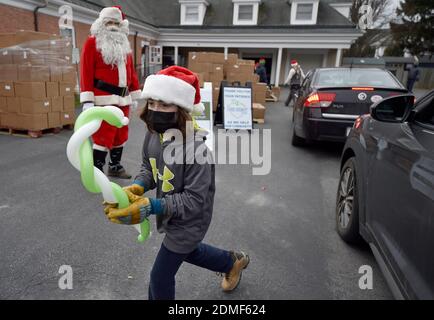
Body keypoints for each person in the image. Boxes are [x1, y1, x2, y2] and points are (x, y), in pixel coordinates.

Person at [104, 66, 250, 300]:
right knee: (189, 252)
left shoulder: (197, 150)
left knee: (159, 277)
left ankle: (231, 261)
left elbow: (193, 200)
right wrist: (139, 186)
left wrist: (151, 206)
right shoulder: (154, 133)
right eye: (152, 103)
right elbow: (147, 167)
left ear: (181, 109)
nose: (155, 110)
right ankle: (231, 261)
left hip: (191, 219)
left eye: (164, 105)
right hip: (171, 212)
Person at [80, 6, 142, 179]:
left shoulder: (124, 44)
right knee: (103, 135)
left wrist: (134, 93)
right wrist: (87, 99)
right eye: (109, 22)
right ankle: (96, 170)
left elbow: (131, 71)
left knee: (121, 133)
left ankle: (115, 166)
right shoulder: (92, 42)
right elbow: (85, 70)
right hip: (102, 99)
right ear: (101, 23)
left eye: (116, 23)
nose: (113, 26)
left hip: (123, 99)